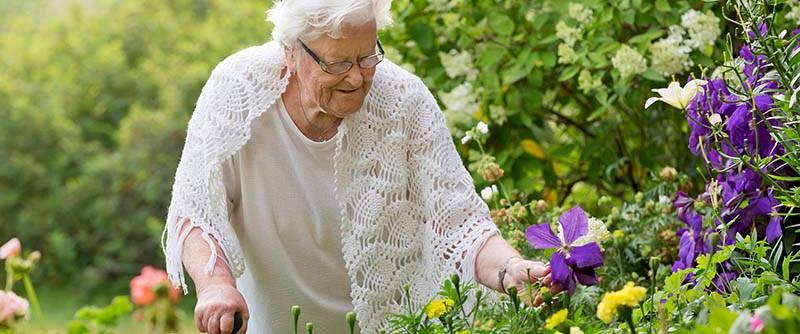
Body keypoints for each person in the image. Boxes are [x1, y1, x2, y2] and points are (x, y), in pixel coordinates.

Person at [163, 0, 560, 332]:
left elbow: (460, 224)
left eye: (368, 55)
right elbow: (196, 209)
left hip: (396, 323)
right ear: (290, 50)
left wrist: (511, 270)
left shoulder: (404, 100)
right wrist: (216, 284)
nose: (356, 77)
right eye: (337, 63)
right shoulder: (237, 89)